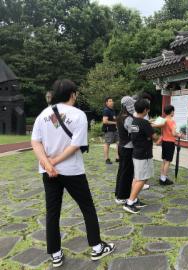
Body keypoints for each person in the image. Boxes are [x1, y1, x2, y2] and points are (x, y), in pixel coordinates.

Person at [31, 79, 115, 268]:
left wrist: (47, 163)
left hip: (48, 172)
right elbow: (75, 145)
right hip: (72, 171)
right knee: (87, 207)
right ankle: (96, 247)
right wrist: (53, 162)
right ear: (72, 94)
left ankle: (55, 253)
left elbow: (35, 142)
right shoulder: (78, 115)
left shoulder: (43, 114)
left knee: (52, 212)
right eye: (76, 94)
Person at [123, 99, 157, 214]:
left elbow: (136, 137)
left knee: (137, 178)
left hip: (137, 153)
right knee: (141, 179)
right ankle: (130, 202)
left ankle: (135, 199)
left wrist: (147, 137)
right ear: (146, 110)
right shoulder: (144, 123)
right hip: (144, 154)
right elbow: (155, 137)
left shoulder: (134, 121)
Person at [154, 105, 183, 185]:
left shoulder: (164, 120)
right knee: (168, 161)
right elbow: (174, 133)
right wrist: (179, 135)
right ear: (171, 112)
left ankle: (162, 177)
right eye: (173, 111)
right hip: (170, 143)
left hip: (164, 142)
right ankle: (164, 179)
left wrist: (159, 140)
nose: (174, 113)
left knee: (164, 161)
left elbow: (163, 133)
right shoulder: (171, 121)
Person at [115, 96, 136, 205]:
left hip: (121, 146)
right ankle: (123, 196)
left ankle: (118, 194)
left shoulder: (119, 117)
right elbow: (134, 132)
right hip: (128, 147)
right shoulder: (129, 118)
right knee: (127, 173)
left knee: (121, 171)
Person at [102, 97, 119, 164]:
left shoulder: (112, 110)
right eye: (110, 101)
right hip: (108, 130)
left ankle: (118, 158)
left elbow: (114, 119)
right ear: (106, 103)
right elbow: (105, 121)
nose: (112, 102)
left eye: (112, 101)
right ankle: (107, 159)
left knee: (118, 142)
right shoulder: (106, 110)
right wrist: (115, 123)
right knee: (107, 144)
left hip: (115, 129)